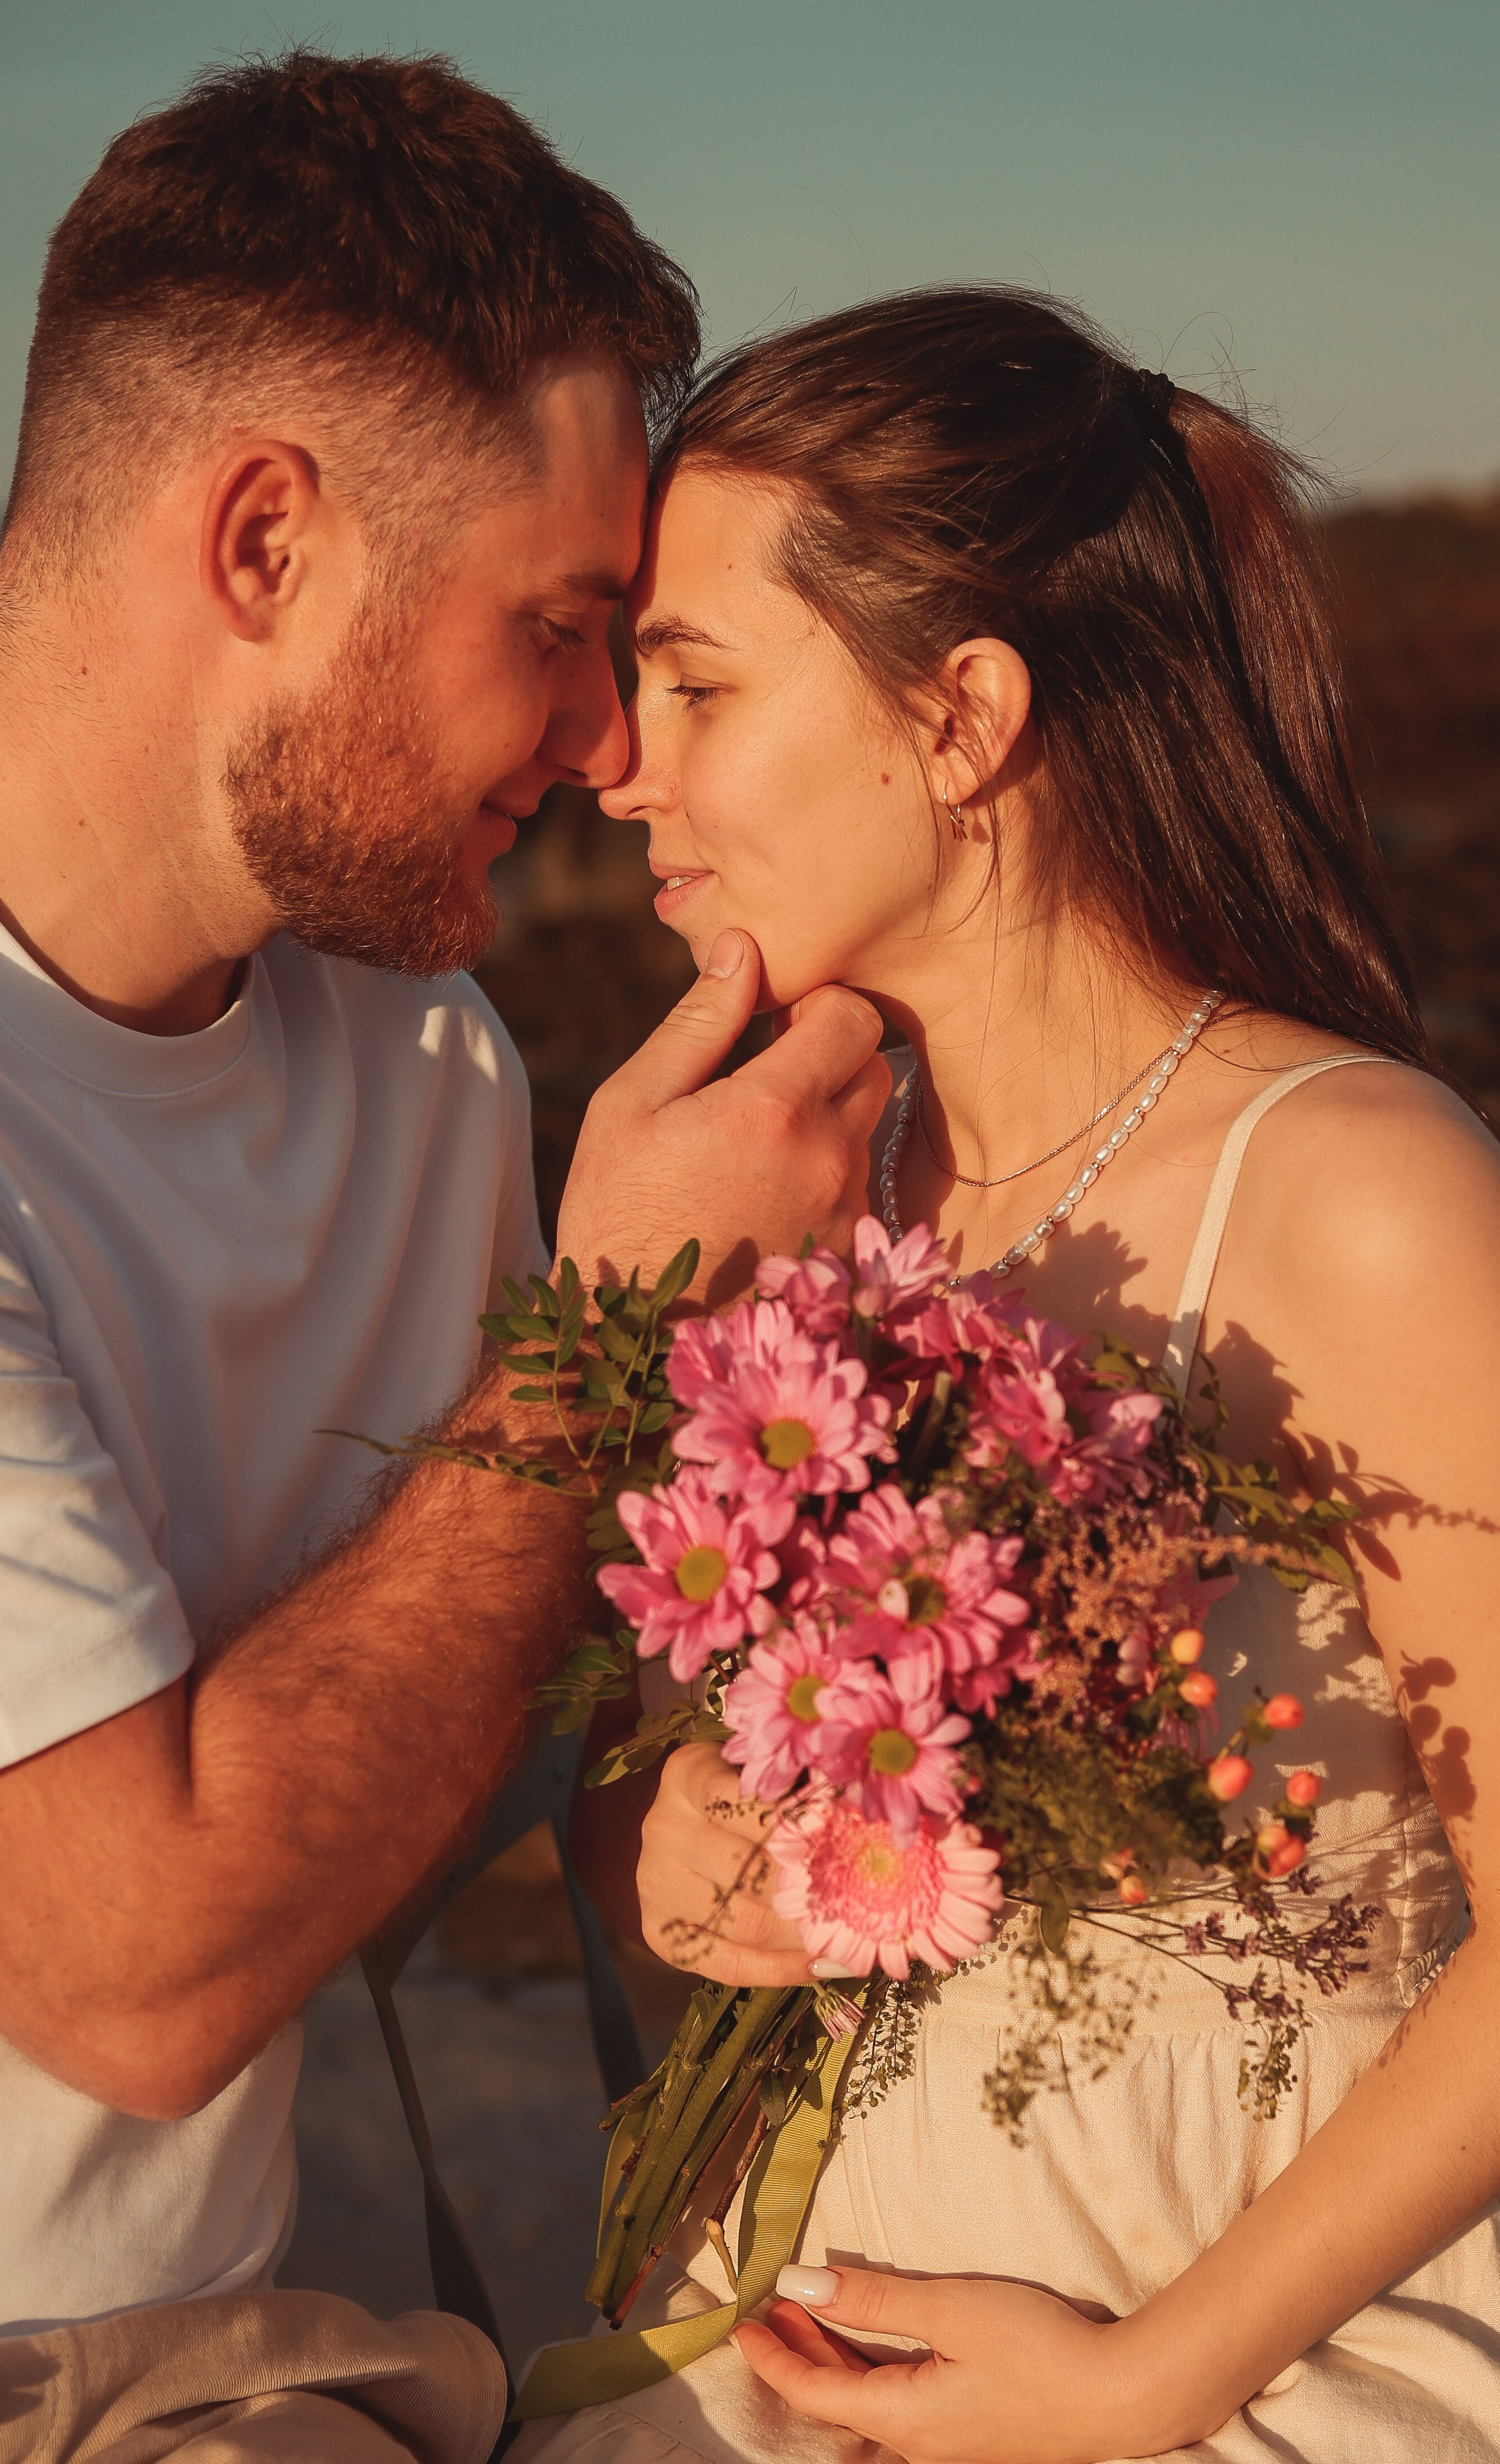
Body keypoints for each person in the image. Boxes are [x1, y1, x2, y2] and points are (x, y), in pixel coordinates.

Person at [0, 51, 892, 2462]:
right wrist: (612, 1340)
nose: (611, 748)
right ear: (262, 545)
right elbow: (137, 1971)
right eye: (559, 626)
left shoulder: (426, 1063)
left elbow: (492, 1714)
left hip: (245, 2359)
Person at [543, 289, 1500, 2464]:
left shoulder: (1356, 1191)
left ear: (962, 711)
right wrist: (671, 1863)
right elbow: (638, 1797)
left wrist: (1151, 2384)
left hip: (1243, 2372)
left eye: (692, 682)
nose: (621, 764)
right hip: (770, 2355)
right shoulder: (798, 1184)